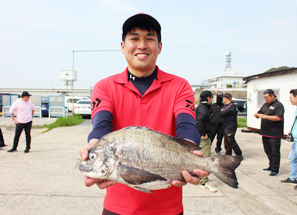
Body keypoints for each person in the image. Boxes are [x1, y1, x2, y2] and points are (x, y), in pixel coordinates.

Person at [79, 13, 209, 215]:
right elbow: (102, 124)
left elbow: (186, 124)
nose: (142, 45)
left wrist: (192, 153)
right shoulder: (104, 87)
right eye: (134, 38)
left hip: (168, 207)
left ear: (160, 46)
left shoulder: (179, 85)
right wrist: (94, 145)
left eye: (149, 38)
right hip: (117, 207)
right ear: (123, 46)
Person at [254, 89, 284, 177]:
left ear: (273, 96)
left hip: (274, 133)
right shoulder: (265, 105)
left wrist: (264, 116)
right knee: (268, 150)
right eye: (264, 98)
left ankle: (275, 170)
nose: (266, 99)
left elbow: (278, 118)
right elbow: (259, 113)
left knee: (275, 152)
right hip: (265, 132)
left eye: (267, 97)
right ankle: (271, 166)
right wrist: (257, 115)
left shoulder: (278, 105)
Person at [195, 90, 217, 192]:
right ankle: (204, 182)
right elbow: (199, 121)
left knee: (199, 159)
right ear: (208, 98)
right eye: (212, 97)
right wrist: (203, 134)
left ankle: (199, 178)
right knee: (206, 159)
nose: (212, 99)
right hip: (203, 138)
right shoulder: (204, 109)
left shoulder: (200, 107)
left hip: (199, 136)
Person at [281, 89, 297, 188]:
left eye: (291, 97)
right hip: (295, 140)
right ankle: (293, 178)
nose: (289, 100)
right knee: (292, 158)